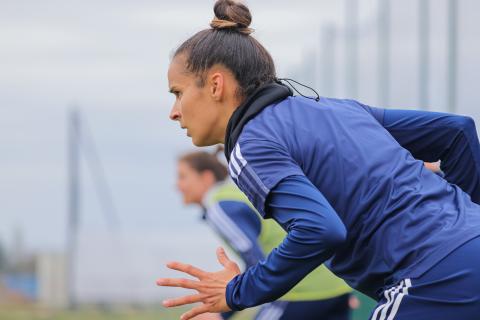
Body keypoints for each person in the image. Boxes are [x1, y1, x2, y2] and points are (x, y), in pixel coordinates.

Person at [156, 1, 480, 319]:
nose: (174, 112)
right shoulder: (340, 109)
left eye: (178, 93)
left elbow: (319, 230)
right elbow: (457, 132)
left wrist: (238, 291)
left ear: (215, 85)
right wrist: (467, 223)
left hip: (431, 275)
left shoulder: (249, 145)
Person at [176, 150, 354, 320]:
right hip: (337, 289)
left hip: (296, 294)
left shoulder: (219, 206)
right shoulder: (239, 192)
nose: (177, 185)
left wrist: (222, 313)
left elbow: (255, 261)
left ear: (206, 177)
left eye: (183, 177)